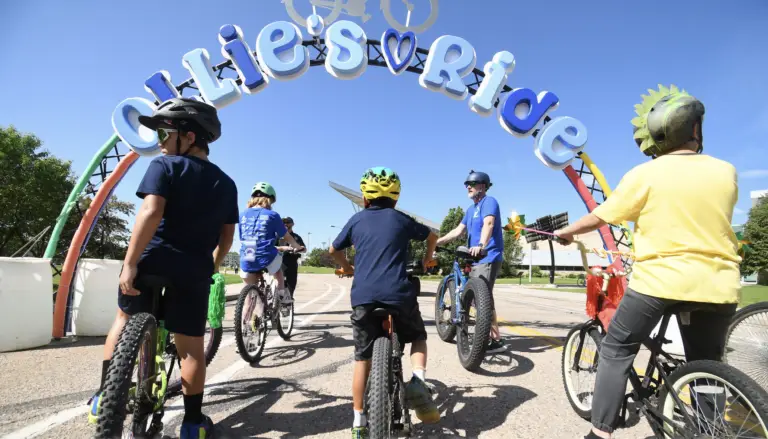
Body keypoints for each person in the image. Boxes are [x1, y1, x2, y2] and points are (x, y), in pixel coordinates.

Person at [554, 85, 741, 439]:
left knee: (617, 347)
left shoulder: (644, 175)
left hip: (661, 281)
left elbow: (601, 216)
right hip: (718, 282)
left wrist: (567, 232)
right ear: (695, 129)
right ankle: (709, 429)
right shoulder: (726, 171)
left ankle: (601, 432)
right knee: (707, 365)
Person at [88, 97, 239, 438]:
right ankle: (191, 424)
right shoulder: (227, 184)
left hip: (152, 260)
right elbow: (226, 238)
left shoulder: (164, 166)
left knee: (124, 320)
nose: (159, 141)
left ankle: (104, 397)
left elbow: (150, 213)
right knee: (191, 347)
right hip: (193, 270)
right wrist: (211, 266)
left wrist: (129, 264)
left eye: (164, 132)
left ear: (188, 136)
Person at [329, 166, 440, 438]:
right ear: (396, 198)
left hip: (364, 298)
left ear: (364, 199)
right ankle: (419, 381)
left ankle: (357, 423)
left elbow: (333, 249)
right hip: (399, 294)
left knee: (362, 359)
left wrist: (347, 267)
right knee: (417, 336)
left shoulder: (356, 221)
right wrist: (427, 258)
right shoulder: (402, 219)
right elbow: (432, 235)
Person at [435, 170, 506, 353]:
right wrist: (437, 241)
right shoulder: (470, 209)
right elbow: (458, 231)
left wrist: (481, 244)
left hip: (487, 256)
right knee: (478, 297)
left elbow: (489, 223)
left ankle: (495, 340)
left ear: (482, 186)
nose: (468, 187)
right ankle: (486, 333)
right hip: (475, 257)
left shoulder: (489, 202)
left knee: (482, 297)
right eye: (467, 184)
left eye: (472, 184)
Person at [238, 182, 303, 310]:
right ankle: (281, 298)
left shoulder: (242, 215)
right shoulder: (272, 215)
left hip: (247, 253)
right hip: (266, 254)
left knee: (248, 295)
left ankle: (246, 321)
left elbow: (242, 237)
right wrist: (296, 245)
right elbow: (286, 236)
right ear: (269, 199)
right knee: (278, 273)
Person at [278, 217, 307, 297]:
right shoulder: (278, 236)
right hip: (278, 263)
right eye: (284, 222)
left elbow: (304, 248)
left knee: (291, 284)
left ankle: (288, 303)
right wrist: (282, 248)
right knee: (279, 285)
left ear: (293, 224)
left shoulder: (296, 237)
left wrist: (300, 249)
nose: (286, 224)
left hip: (292, 263)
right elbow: (271, 246)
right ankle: (278, 302)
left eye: (288, 222)